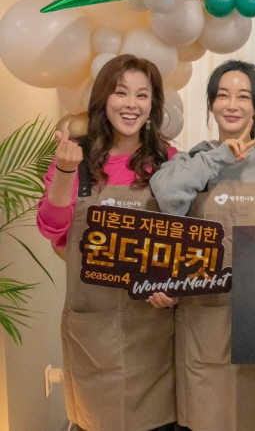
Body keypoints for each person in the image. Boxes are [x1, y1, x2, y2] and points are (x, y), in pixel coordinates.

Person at [149, 60, 255, 431]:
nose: (232, 104)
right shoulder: (193, 161)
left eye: (243, 97)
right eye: (222, 95)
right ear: (211, 104)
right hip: (202, 324)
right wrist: (220, 156)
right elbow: (166, 194)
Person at [36, 54, 178, 431]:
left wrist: (173, 287)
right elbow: (53, 229)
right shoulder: (75, 158)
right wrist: (65, 171)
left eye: (142, 95)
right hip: (92, 331)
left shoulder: (170, 161)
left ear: (153, 105)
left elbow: (187, 238)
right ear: (104, 99)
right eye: (121, 92)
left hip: (152, 329)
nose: (131, 104)